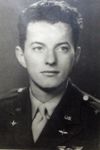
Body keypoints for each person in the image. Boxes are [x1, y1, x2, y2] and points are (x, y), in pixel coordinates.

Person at [0, 0, 99, 149]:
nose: (51, 60)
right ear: (21, 56)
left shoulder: (95, 118)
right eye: (38, 48)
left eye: (62, 48)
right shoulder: (2, 109)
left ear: (76, 55)